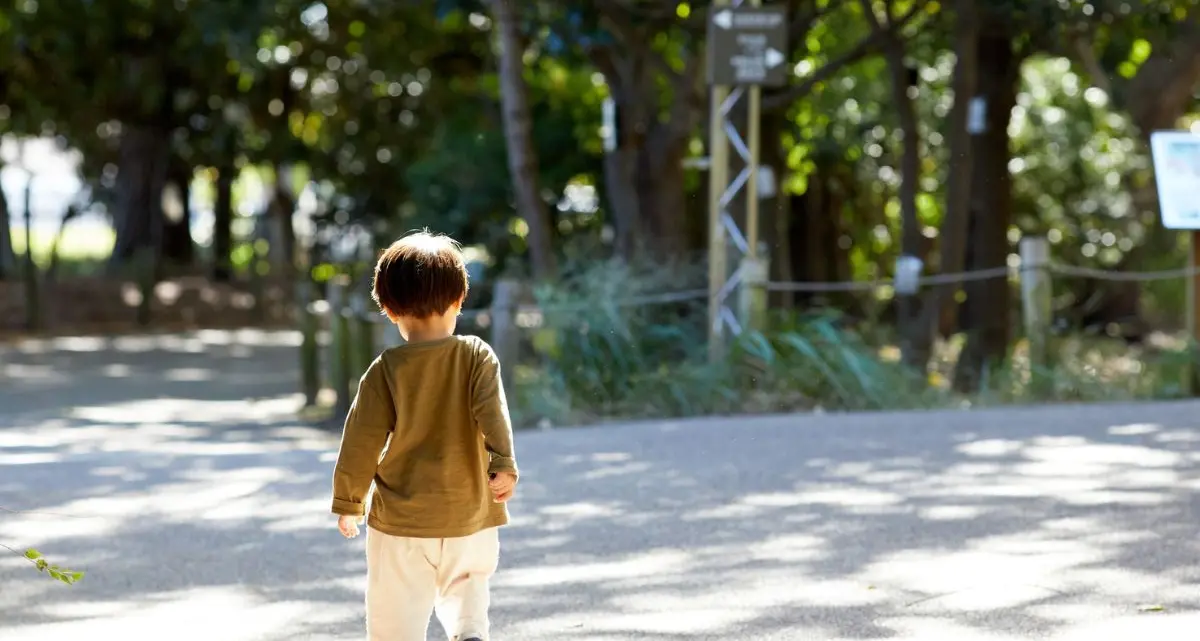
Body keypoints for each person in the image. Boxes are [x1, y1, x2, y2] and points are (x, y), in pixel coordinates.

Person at [330, 230, 519, 641]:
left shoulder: (386, 369)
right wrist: (503, 463)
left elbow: (360, 441)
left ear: (390, 310)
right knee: (468, 589)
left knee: (394, 616)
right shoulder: (476, 356)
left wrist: (349, 501)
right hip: (469, 513)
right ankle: (469, 634)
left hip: (402, 521)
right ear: (458, 301)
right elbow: (493, 414)